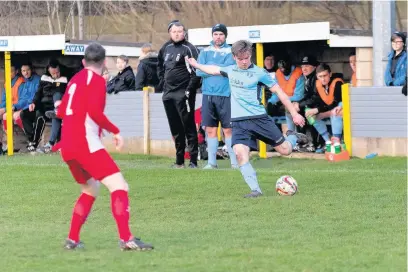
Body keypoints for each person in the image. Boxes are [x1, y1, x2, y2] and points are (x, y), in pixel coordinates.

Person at [54, 42, 153, 251]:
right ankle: (127, 239)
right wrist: (115, 131)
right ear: (105, 61)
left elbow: (61, 111)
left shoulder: (74, 80)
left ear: (83, 62)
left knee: (90, 188)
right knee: (119, 186)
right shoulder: (97, 81)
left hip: (68, 147)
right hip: (84, 144)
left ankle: (72, 240)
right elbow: (95, 113)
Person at [186, 40, 309, 198]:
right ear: (234, 57)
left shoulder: (260, 73)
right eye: (240, 59)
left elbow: (280, 93)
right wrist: (197, 65)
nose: (244, 62)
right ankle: (256, 190)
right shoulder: (230, 70)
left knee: (285, 150)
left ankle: (292, 137)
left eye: (247, 58)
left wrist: (295, 114)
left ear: (250, 55)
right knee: (239, 153)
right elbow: (213, 69)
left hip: (258, 119)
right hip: (239, 122)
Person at [157, 20, 201, 168]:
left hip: (184, 93)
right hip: (168, 94)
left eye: (180, 31)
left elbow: (197, 71)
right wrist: (163, 83)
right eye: (174, 31)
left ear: (184, 33)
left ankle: (193, 161)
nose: (177, 34)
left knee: (188, 126)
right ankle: (179, 161)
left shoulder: (189, 48)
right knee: (175, 128)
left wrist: (189, 89)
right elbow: (159, 66)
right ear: (170, 33)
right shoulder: (165, 48)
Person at [196, 23, 237, 169]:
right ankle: (212, 163)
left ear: (225, 36)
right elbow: (199, 71)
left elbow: (227, 70)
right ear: (212, 35)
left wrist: (209, 67)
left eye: (221, 34)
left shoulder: (231, 51)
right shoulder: (204, 52)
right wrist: (215, 68)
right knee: (210, 129)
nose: (218, 37)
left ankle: (234, 163)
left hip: (225, 95)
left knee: (228, 130)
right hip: (208, 95)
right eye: (215, 34)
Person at [21, 59, 67, 152]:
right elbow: (38, 93)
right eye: (53, 73)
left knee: (45, 114)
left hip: (56, 106)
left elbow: (62, 93)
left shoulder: (64, 79)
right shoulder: (44, 78)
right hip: (43, 105)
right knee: (24, 114)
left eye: (57, 72)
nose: (55, 75)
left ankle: (38, 142)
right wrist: (33, 102)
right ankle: (32, 140)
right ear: (49, 71)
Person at [305, 63, 344, 145]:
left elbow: (336, 104)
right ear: (317, 76)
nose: (323, 79)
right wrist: (313, 111)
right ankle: (328, 141)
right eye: (320, 76)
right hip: (328, 110)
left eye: (325, 75)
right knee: (312, 116)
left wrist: (318, 110)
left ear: (330, 74)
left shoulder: (337, 83)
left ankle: (337, 142)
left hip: (341, 109)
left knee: (335, 112)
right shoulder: (318, 85)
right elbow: (318, 102)